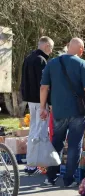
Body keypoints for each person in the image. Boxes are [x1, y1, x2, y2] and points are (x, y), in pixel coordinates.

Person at [40, 38, 85, 187]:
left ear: (68, 47)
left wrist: (42, 107)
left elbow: (43, 87)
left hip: (58, 111)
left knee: (56, 143)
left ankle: (51, 177)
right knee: (74, 144)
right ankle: (69, 179)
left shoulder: (52, 63)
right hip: (78, 112)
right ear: (81, 50)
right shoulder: (82, 64)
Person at [20, 36, 54, 175]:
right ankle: (33, 164)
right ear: (46, 46)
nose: (51, 51)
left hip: (30, 99)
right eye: (51, 48)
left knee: (34, 130)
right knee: (39, 131)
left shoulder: (29, 58)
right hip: (39, 100)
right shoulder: (41, 60)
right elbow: (43, 85)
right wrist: (46, 103)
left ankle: (31, 162)